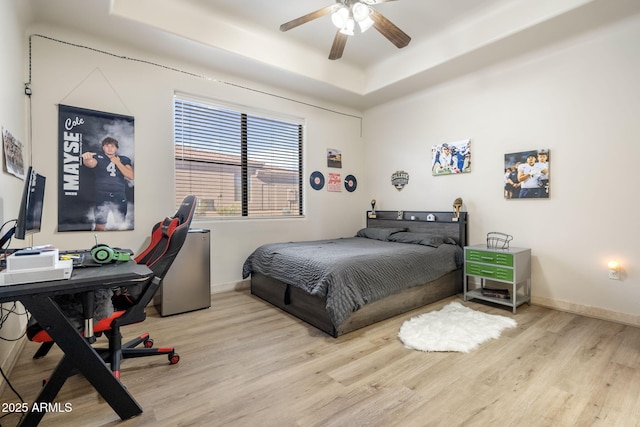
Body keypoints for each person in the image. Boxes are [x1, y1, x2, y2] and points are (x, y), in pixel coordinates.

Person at [82, 137, 134, 230]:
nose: (110, 148)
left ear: (116, 148)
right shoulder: (98, 156)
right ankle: (99, 244)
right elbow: (91, 164)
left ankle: (120, 243)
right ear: (103, 147)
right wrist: (87, 159)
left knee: (121, 225)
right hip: (102, 195)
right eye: (107, 146)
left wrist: (117, 162)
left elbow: (130, 175)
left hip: (119, 195)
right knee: (100, 225)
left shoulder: (123, 159)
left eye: (112, 146)